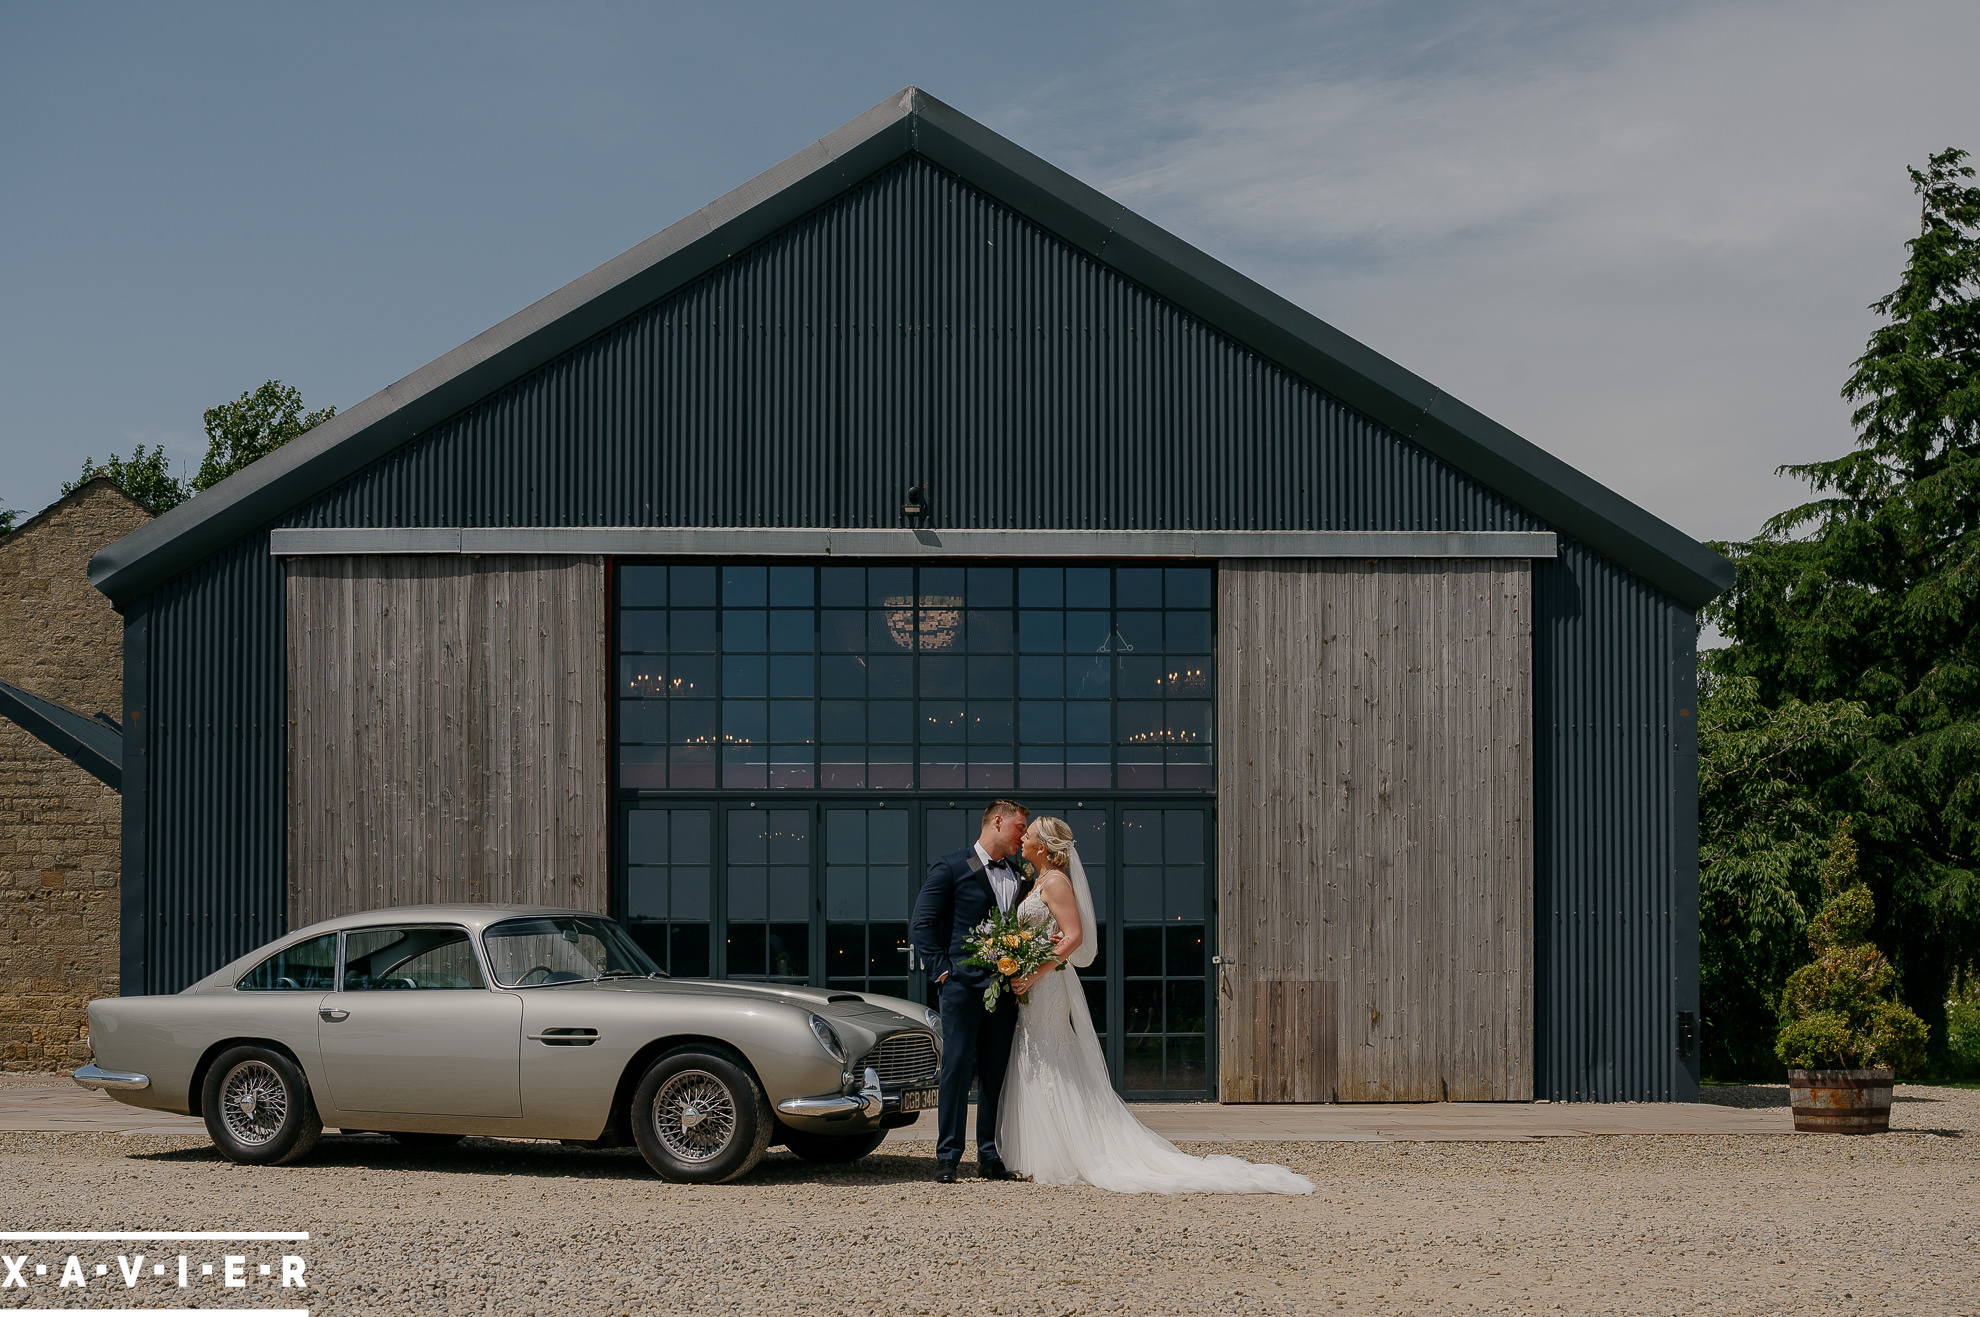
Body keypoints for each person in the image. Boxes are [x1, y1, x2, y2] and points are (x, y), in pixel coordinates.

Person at [997, 816, 1315, 1195]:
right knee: (1035, 1056)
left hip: (1047, 987)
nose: (1022, 839)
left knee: (1051, 1058)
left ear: (1043, 848)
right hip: (1034, 985)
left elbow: (1074, 936)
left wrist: (1033, 973)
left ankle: (1062, 1154)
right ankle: (1039, 1154)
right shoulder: (1037, 882)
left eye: (1028, 835)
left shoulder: (1056, 883)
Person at [908, 798, 1032, 1183]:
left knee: (996, 1073)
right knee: (957, 1070)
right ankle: (947, 1156)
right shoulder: (950, 867)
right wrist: (945, 973)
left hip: (1004, 992)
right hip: (960, 989)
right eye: (1019, 829)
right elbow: (921, 925)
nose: (1023, 837)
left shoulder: (1020, 875)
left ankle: (989, 1155)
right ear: (997, 821)